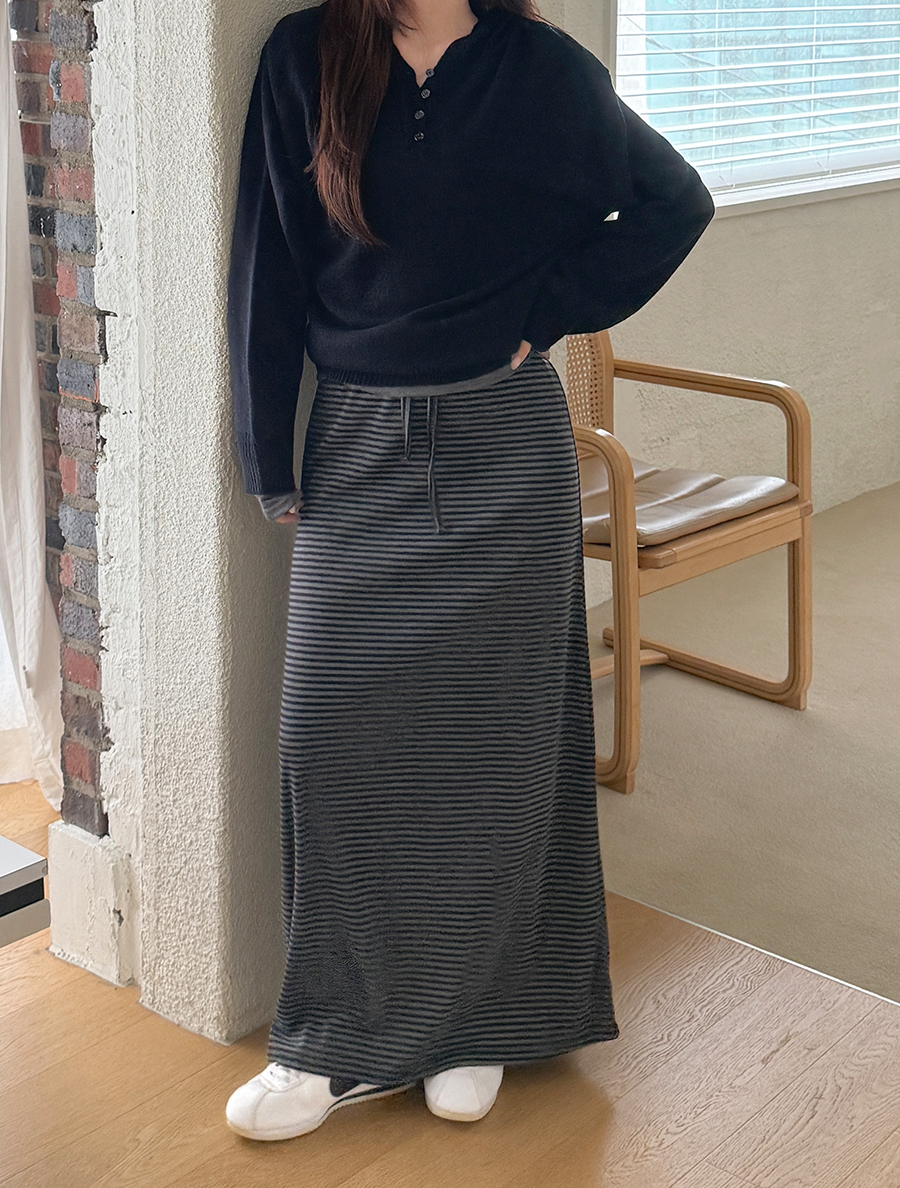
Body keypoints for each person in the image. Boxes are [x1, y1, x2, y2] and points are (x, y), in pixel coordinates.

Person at [224, 0, 714, 1143]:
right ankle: (333, 1039)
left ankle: (480, 1021)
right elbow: (267, 261)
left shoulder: (543, 69)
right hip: (355, 444)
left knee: (495, 743)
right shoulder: (303, 56)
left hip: (505, 446)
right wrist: (266, 453)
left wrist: (548, 311)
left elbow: (675, 201)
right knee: (331, 738)